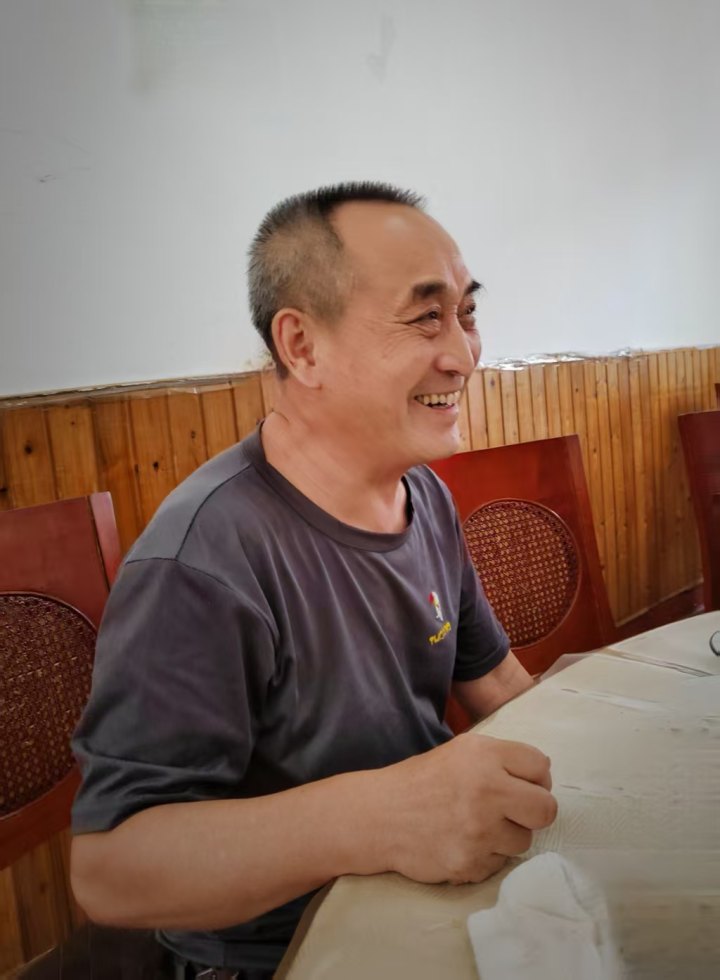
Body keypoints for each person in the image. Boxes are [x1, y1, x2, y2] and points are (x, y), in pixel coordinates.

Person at [70, 183, 557, 979]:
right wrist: (380, 817)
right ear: (301, 346)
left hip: (433, 902)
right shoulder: (204, 559)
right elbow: (110, 871)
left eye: (466, 313)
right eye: (424, 317)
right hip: (281, 954)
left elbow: (494, 680)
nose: (464, 354)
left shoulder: (422, 494)